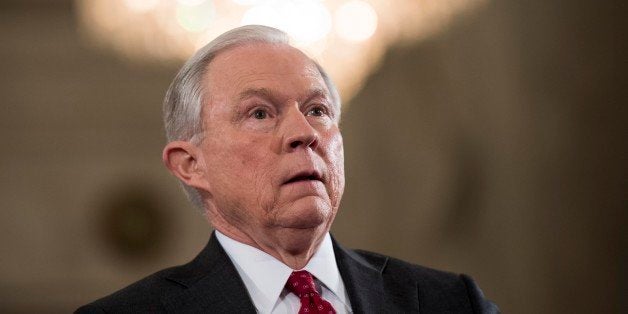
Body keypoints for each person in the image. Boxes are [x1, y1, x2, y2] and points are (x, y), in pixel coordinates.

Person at [76, 25, 499, 314]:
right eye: (259, 114)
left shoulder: (453, 302)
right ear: (191, 164)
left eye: (317, 110)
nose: (304, 133)